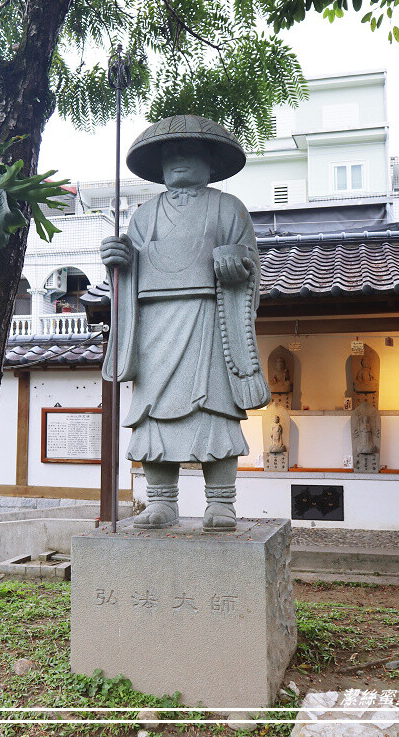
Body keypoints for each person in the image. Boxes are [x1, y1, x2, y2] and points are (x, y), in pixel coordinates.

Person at [100, 115, 270, 531]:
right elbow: (128, 272)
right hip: (154, 326)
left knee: (215, 409)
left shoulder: (228, 208)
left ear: (210, 162)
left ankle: (221, 501)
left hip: (209, 320)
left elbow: (250, 261)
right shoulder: (143, 215)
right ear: (159, 166)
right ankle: (160, 499)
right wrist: (118, 261)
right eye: (170, 153)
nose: (178, 159)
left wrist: (236, 264)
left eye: (189, 151)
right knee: (153, 413)